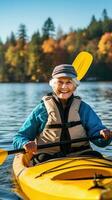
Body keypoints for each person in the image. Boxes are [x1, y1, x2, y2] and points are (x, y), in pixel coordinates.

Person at [13, 64, 112, 162]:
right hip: (48, 157)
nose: (64, 86)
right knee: (42, 158)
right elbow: (20, 137)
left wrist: (103, 134)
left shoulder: (83, 109)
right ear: (53, 85)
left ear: (74, 86)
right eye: (60, 82)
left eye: (68, 82)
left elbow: (99, 138)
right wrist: (24, 143)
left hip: (81, 155)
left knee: (96, 155)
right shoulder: (41, 110)